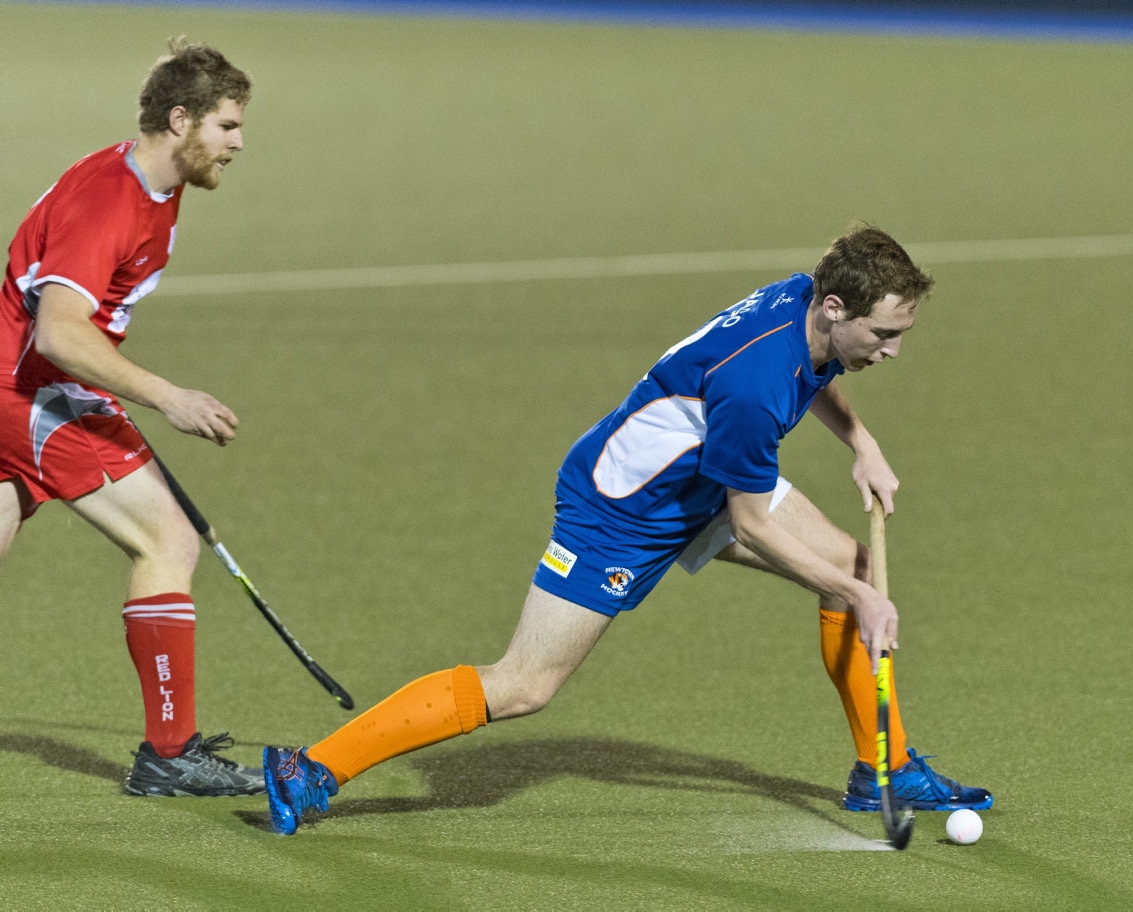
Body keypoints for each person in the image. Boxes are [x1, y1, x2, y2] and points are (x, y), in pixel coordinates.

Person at [262, 225, 992, 834]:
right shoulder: (755, 386)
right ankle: (313, 768)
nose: (892, 350)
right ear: (835, 305)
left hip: (702, 473)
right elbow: (752, 524)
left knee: (854, 570)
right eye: (885, 333)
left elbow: (815, 371)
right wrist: (855, 598)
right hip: (621, 511)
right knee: (524, 685)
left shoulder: (802, 302)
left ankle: (883, 769)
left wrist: (861, 443)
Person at [0, 39, 263, 797]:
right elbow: (58, 331)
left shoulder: (151, 180)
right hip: (32, 389)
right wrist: (167, 396)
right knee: (166, 538)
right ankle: (169, 754)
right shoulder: (110, 199)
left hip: (29, 383)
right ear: (180, 121)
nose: (238, 144)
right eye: (226, 126)